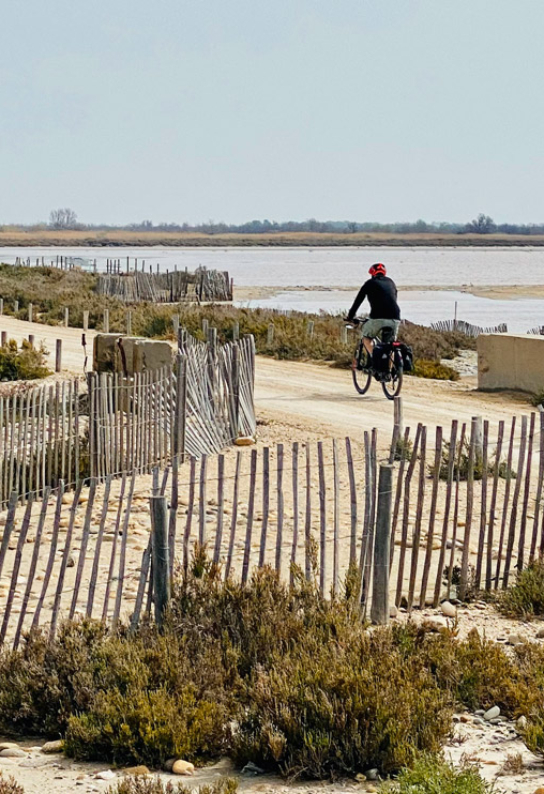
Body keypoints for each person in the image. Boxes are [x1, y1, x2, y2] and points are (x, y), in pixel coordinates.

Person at [346, 263, 400, 355]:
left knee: (367, 337)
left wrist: (350, 316)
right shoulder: (391, 282)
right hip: (395, 317)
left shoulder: (369, 283)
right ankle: (389, 369)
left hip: (377, 317)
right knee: (390, 346)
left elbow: (358, 301)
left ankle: (374, 360)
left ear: (372, 273)